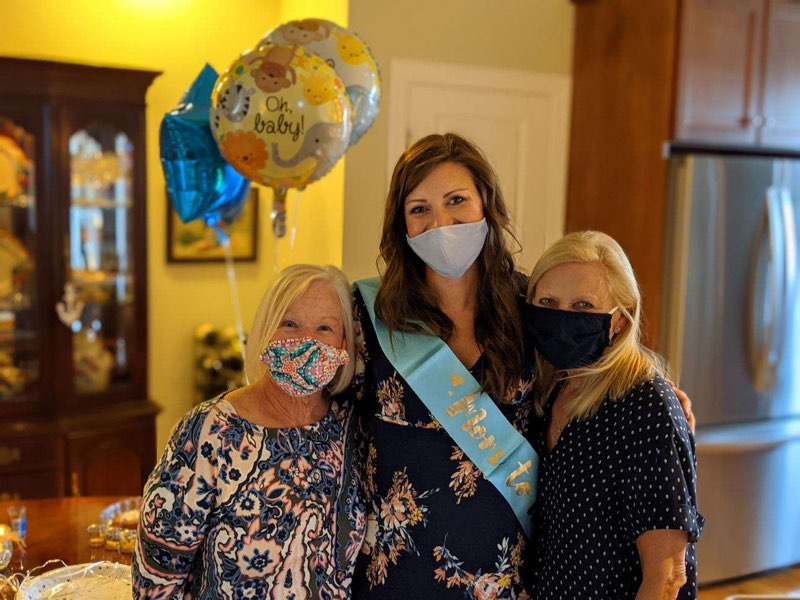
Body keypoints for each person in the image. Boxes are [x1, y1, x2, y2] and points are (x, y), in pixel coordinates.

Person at [351, 133, 537, 599]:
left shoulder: (533, 306)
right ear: (402, 224)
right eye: (420, 209)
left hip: (506, 572)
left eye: (456, 200)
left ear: (486, 203)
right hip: (396, 575)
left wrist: (655, 399)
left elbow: (589, 383)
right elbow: (320, 414)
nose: (441, 223)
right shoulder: (369, 313)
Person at [132, 264, 366, 599]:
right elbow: (157, 575)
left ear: (343, 343)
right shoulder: (209, 430)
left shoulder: (351, 426)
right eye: (290, 324)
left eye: (324, 327)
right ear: (266, 330)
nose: (306, 341)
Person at [522, 231, 704, 599]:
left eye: (583, 306)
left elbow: (668, 576)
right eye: (548, 302)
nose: (562, 318)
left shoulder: (646, 406)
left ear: (620, 319)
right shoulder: (548, 390)